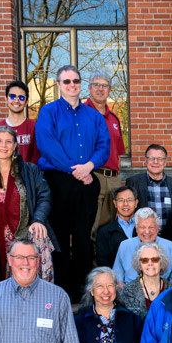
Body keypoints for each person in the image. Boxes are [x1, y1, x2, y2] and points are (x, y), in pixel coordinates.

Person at [35, 65, 109, 301]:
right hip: (57, 180)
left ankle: (83, 294)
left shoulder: (94, 116)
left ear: (80, 83)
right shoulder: (48, 112)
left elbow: (104, 146)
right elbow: (47, 145)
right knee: (59, 236)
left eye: (75, 81)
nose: (72, 85)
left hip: (87, 181)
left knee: (83, 237)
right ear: (58, 84)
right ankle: (61, 293)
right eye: (66, 81)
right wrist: (74, 169)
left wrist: (89, 165)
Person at [0, 125, 57, 282]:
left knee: (40, 236)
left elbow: (44, 196)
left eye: (8, 141)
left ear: (15, 146)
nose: (3, 145)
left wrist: (38, 220)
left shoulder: (29, 170)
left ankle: (41, 292)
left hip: (24, 234)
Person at [83, 73, 128, 240]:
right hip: (93, 176)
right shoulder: (81, 114)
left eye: (105, 85)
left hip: (113, 179)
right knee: (90, 226)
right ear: (89, 88)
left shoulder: (114, 119)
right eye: (96, 85)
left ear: (109, 90)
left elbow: (119, 152)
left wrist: (118, 178)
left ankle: (101, 258)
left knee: (107, 228)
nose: (100, 89)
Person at [113, 209, 172, 285]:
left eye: (151, 227)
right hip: (130, 290)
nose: (147, 231)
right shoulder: (124, 246)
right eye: (142, 227)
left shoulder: (170, 246)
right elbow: (118, 279)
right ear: (136, 228)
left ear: (158, 228)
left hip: (163, 290)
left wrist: (166, 291)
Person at [0, 80, 39, 163]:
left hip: (28, 171)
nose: (16, 100)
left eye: (21, 97)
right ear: (6, 99)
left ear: (26, 102)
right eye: (12, 96)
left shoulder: (35, 128)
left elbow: (37, 158)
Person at [126, 144, 172, 218]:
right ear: (145, 161)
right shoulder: (133, 183)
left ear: (165, 162)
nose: (155, 162)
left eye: (160, 159)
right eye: (151, 158)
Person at [95, 185, 138, 270]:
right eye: (121, 200)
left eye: (129, 200)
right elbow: (103, 262)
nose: (125, 204)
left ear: (136, 203)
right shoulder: (105, 232)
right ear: (115, 203)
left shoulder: (145, 228)